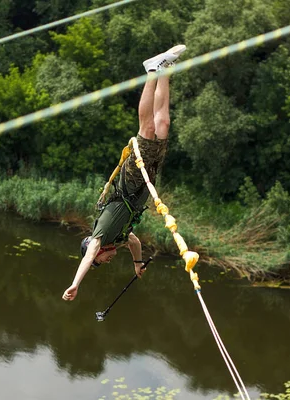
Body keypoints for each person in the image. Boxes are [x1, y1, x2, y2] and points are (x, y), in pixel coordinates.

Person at [62, 44, 186, 301]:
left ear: (96, 252)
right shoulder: (118, 238)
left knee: (148, 127)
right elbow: (135, 243)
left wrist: (75, 284)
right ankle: (164, 71)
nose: (107, 260)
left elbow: (89, 254)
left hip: (131, 182)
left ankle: (151, 70)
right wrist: (137, 264)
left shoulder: (100, 235)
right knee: (163, 124)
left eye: (102, 261)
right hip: (147, 180)